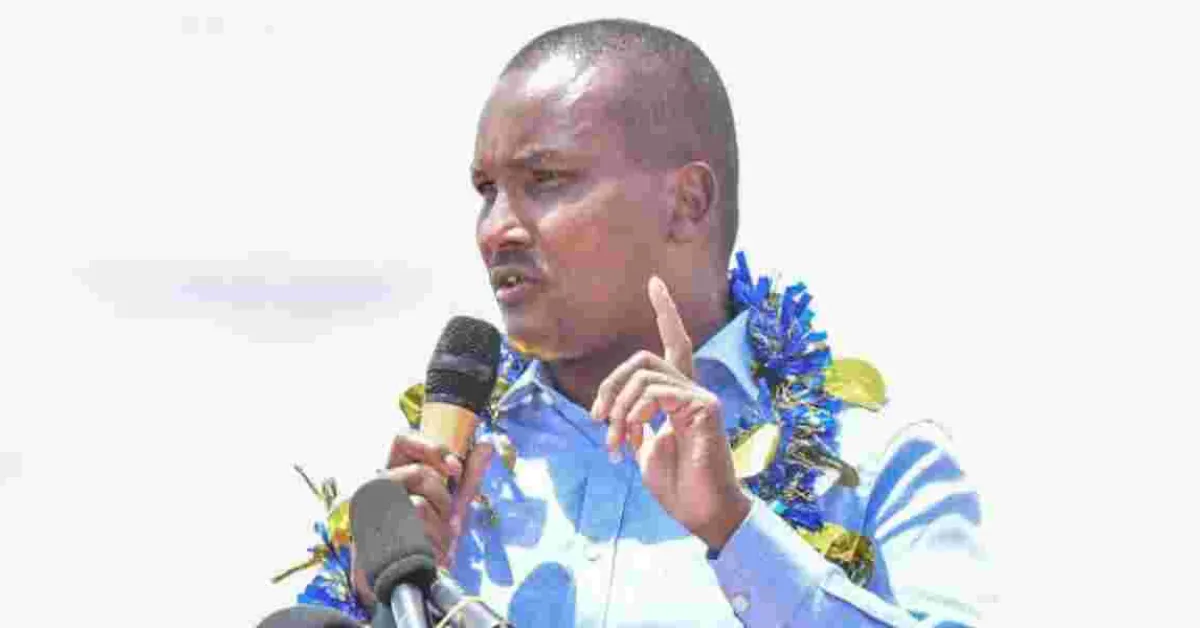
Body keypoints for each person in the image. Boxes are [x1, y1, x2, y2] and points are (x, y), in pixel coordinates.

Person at [366, 18, 989, 627]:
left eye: (545, 180)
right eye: (486, 190)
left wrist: (736, 530)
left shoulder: (870, 464)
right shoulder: (452, 480)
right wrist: (391, 601)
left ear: (688, 202)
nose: (495, 229)